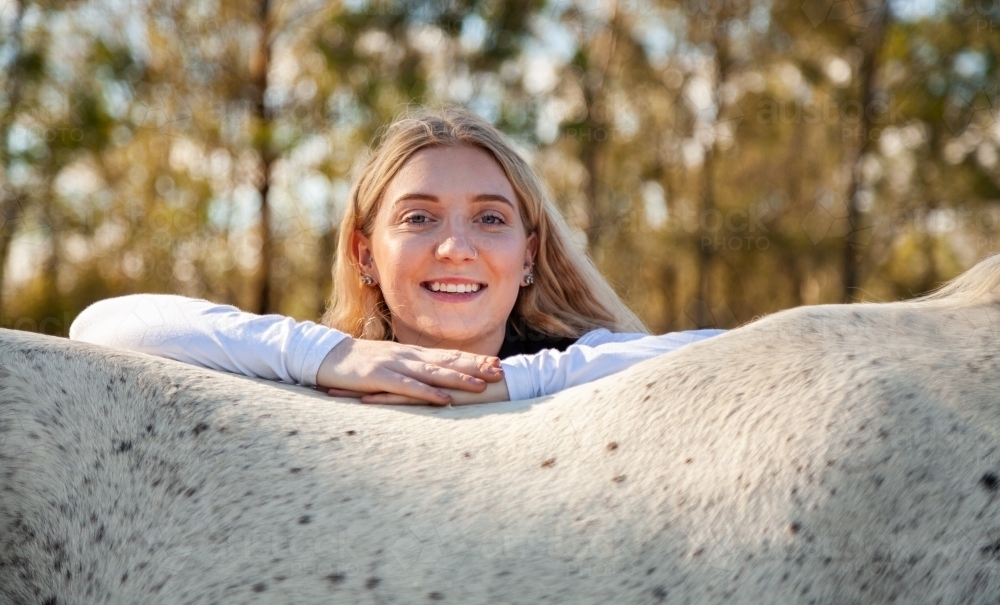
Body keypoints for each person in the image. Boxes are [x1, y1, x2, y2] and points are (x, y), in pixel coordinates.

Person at [70, 107, 725, 405]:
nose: (456, 247)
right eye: (419, 217)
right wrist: (331, 356)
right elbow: (101, 325)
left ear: (528, 256)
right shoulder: (311, 372)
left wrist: (519, 381)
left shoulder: (581, 372)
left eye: (490, 218)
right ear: (363, 253)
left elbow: (728, 348)